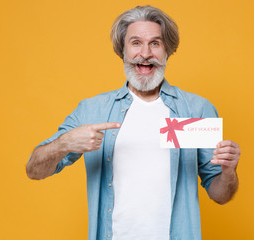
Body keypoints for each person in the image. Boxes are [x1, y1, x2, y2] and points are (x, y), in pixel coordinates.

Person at [26, 5, 240, 240]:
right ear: (123, 50)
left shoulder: (196, 109)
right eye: (136, 42)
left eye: (155, 43)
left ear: (167, 50)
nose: (145, 53)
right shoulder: (92, 110)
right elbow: (34, 170)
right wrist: (64, 143)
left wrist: (228, 172)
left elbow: (220, 194)